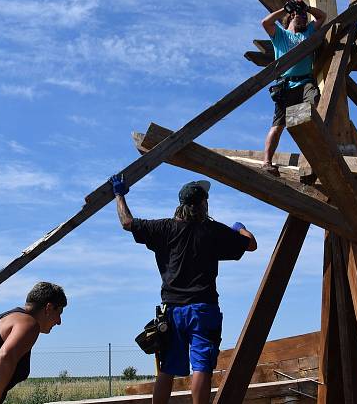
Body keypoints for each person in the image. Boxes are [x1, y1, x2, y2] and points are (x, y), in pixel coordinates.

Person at [110, 173, 257, 404]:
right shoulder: (213, 231)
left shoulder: (164, 229)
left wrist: (119, 194)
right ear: (203, 204)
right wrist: (239, 228)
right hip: (202, 310)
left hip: (172, 313)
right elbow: (251, 244)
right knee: (202, 367)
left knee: (167, 369)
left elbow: (127, 222)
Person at [260, 0, 327, 175]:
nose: (304, 18)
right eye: (300, 15)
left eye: (305, 16)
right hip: (286, 86)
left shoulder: (308, 32)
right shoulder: (281, 35)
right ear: (290, 17)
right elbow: (265, 22)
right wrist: (285, 9)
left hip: (304, 82)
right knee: (278, 125)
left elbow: (322, 17)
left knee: (313, 104)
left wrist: (307, 8)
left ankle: (313, 156)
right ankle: (267, 161)